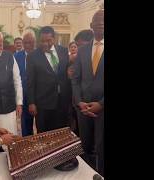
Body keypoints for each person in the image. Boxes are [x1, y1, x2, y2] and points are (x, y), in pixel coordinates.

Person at [26, 26, 78, 171]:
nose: (45, 44)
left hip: (63, 100)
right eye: (42, 41)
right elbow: (30, 81)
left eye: (48, 40)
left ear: (54, 38)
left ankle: (61, 158)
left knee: (61, 131)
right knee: (44, 134)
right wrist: (31, 102)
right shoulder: (32, 56)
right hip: (43, 102)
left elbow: (67, 73)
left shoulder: (62, 51)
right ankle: (46, 161)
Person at [72, 9, 104, 176]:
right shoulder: (83, 51)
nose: (101, 26)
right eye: (97, 24)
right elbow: (75, 79)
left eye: (103, 23)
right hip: (84, 110)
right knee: (85, 147)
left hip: (103, 110)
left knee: (102, 148)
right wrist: (79, 102)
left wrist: (100, 104)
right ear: (91, 26)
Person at [13, 31, 36, 136]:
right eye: (25, 42)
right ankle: (28, 143)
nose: (28, 45)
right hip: (23, 95)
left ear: (35, 42)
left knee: (41, 123)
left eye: (30, 42)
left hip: (38, 95)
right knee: (25, 124)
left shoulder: (40, 55)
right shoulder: (16, 56)